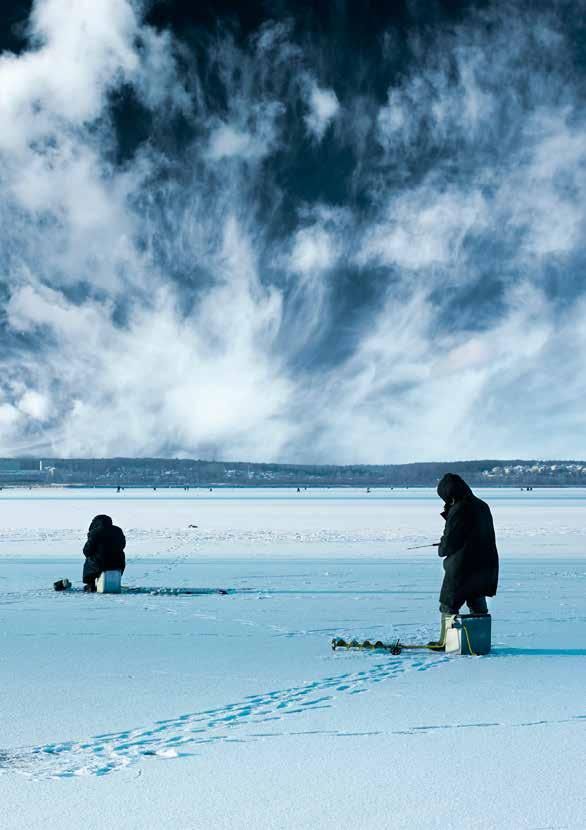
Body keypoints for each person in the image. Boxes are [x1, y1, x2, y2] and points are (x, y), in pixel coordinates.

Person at [432, 473, 499, 646]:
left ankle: (445, 642)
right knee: (477, 601)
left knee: (448, 604)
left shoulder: (460, 508)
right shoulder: (482, 505)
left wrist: (441, 549)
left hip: (463, 566)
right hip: (484, 564)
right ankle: (479, 641)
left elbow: (450, 540)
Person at [82, 514, 126, 592]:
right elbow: (122, 545)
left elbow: (87, 551)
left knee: (89, 561)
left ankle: (90, 584)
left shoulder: (94, 532)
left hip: (100, 564)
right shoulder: (118, 530)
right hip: (118, 563)